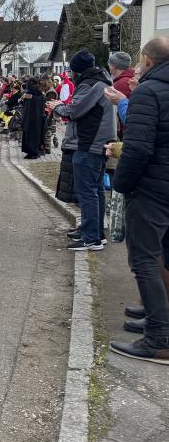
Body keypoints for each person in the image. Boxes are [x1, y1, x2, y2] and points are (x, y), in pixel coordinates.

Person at [108, 38, 169, 364]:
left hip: (152, 188)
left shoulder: (148, 91)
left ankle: (159, 338)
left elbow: (139, 146)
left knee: (144, 259)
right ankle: (161, 320)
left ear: (146, 60)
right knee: (165, 256)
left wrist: (122, 184)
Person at [54, 50, 117, 251]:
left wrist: (57, 107)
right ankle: (95, 231)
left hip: (89, 144)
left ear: (77, 69)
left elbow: (74, 110)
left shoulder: (91, 84)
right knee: (96, 189)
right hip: (98, 143)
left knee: (87, 192)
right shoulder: (102, 81)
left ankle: (91, 238)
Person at [20, 77, 47, 159]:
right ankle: (36, 152)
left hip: (30, 119)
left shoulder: (29, 94)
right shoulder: (41, 95)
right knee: (37, 135)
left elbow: (25, 106)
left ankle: (31, 153)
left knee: (29, 136)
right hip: (39, 119)